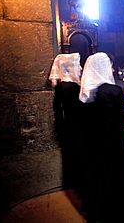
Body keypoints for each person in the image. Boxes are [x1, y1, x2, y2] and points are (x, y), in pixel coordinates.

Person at [78, 52, 124, 223]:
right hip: (112, 144)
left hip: (93, 143)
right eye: (109, 65)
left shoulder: (85, 92)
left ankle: (97, 211)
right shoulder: (113, 90)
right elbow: (123, 117)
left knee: (97, 176)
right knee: (113, 177)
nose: (112, 69)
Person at [49, 53, 83, 191]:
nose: (80, 68)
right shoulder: (72, 88)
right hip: (76, 127)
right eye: (78, 65)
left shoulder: (60, 86)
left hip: (66, 126)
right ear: (70, 67)